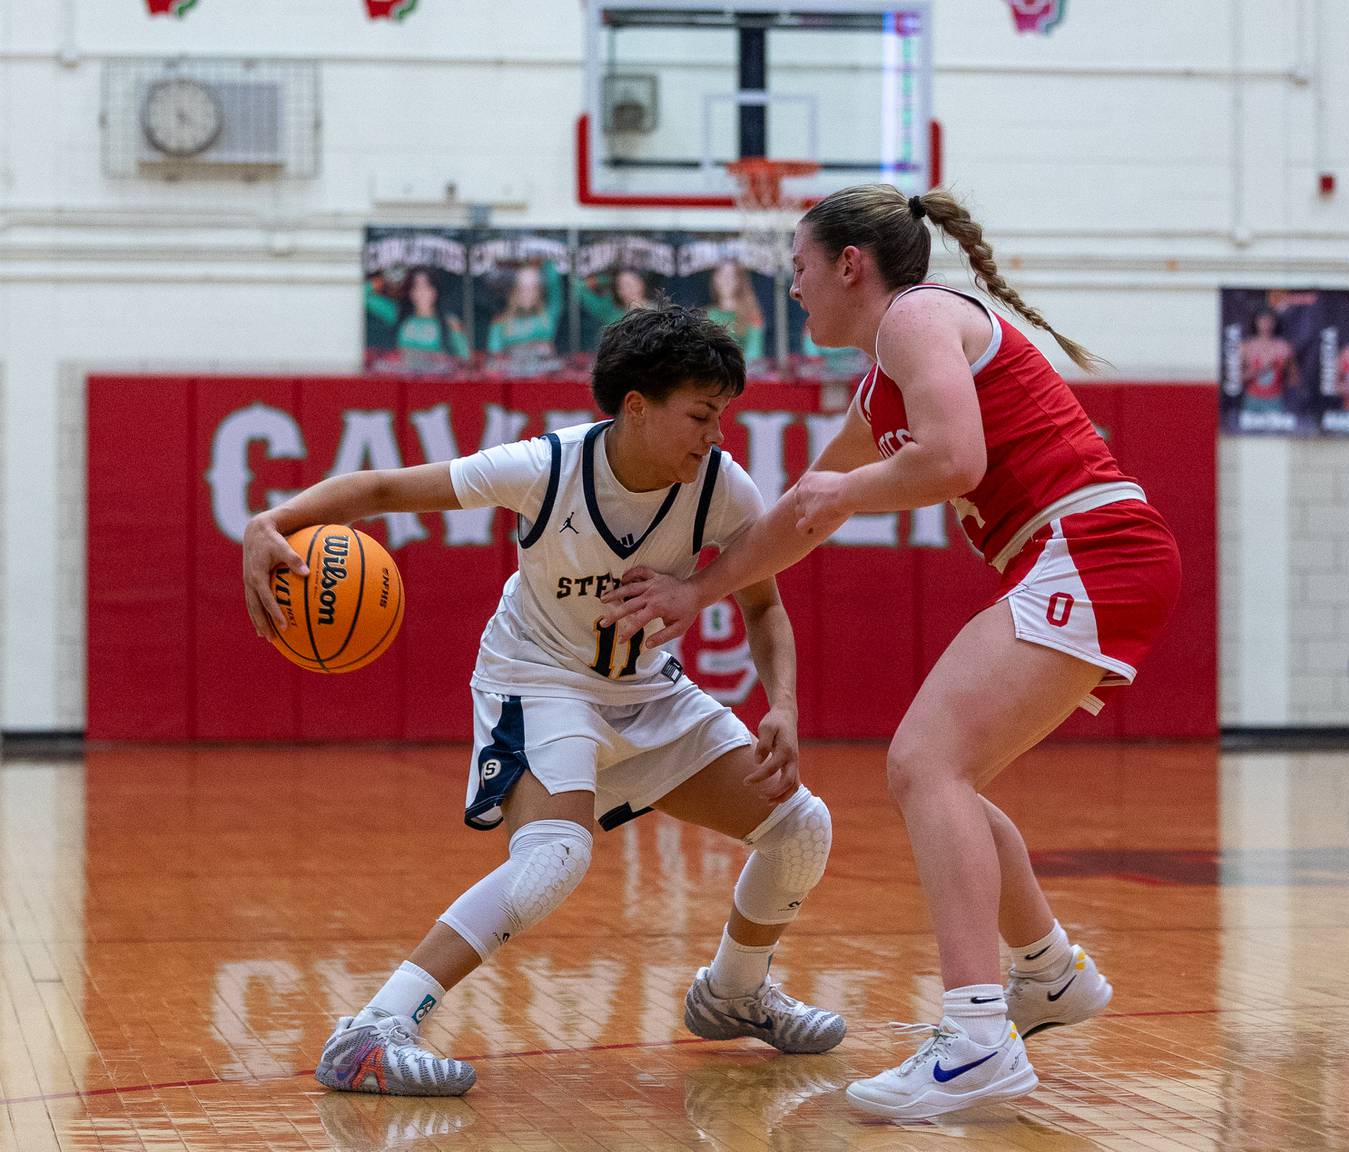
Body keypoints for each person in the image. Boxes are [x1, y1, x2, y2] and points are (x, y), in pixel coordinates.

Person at [601, 185, 1182, 1121]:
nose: (789, 286)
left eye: (797, 264)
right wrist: (697, 591)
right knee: (949, 777)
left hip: (1092, 546)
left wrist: (854, 491)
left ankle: (976, 1039)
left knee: (923, 763)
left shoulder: (916, 317)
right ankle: (1048, 973)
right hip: (1086, 554)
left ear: (849, 265)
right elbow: (803, 508)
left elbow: (956, 460)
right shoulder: (881, 381)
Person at [241, 305, 844, 1097]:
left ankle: (733, 993)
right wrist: (271, 520)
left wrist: (784, 706)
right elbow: (385, 486)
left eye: (722, 416)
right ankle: (373, 1031)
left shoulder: (720, 489)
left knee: (800, 826)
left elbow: (764, 607)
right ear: (636, 406)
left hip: (645, 690)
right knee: (556, 856)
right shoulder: (546, 468)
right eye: (701, 415)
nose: (715, 435)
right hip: (539, 678)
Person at [366, 267, 471, 362]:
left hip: (434, 380)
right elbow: (361, 295)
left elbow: (465, 358)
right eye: (416, 287)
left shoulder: (449, 321)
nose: (421, 292)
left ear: (434, 291)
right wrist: (385, 279)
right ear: (411, 292)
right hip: (403, 380)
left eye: (426, 286)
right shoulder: (398, 313)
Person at [486, 261, 564, 357]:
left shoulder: (547, 317)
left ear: (539, 292)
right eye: (522, 288)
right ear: (514, 291)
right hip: (510, 370)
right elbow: (494, 359)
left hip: (544, 370)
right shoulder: (500, 323)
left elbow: (555, 286)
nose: (527, 294)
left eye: (533, 288)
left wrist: (545, 258)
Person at [1238, 307, 1297, 413]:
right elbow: (1235, 379)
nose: (1266, 324)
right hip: (1252, 400)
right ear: (1256, 322)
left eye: (1269, 320)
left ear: (1275, 322)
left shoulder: (1283, 347)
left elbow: (1294, 378)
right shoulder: (1246, 346)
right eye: (1262, 320)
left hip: (1276, 400)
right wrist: (1260, 369)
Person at [707, 259, 766, 362]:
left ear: (739, 280)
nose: (726, 280)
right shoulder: (707, 315)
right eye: (722, 275)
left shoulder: (752, 315)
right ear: (715, 279)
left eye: (731, 276)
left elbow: (754, 353)